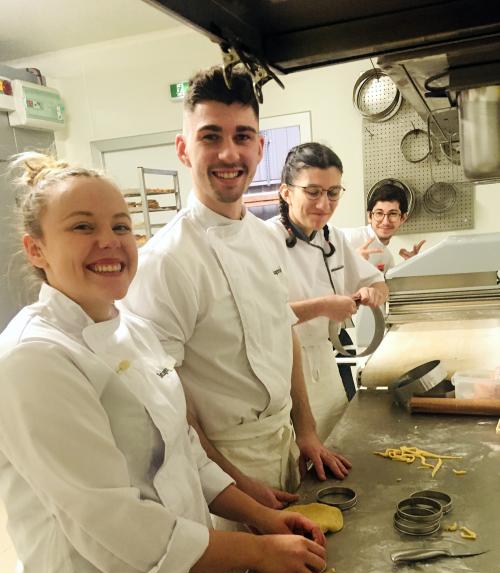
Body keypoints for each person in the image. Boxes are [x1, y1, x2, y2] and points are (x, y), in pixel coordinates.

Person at [0, 153, 327, 573]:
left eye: (121, 225)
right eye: (82, 226)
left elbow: (184, 452)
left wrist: (260, 513)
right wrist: (259, 549)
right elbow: (117, 529)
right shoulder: (33, 359)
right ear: (36, 249)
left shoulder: (128, 326)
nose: (110, 242)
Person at [124, 66, 351, 513]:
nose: (230, 152)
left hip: (284, 447)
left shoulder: (265, 237)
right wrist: (236, 484)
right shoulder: (164, 262)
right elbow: (166, 404)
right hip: (219, 475)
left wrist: (305, 431)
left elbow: (283, 334)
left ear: (260, 147)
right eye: (210, 137)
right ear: (183, 149)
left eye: (243, 136)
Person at [266, 143, 389, 441]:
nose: (324, 203)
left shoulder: (331, 237)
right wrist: (323, 306)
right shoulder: (263, 240)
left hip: (325, 362)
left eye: (333, 192)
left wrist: (372, 292)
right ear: (286, 192)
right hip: (282, 371)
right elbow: (263, 319)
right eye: (313, 192)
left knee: (338, 445)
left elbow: (379, 283)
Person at [341, 182, 425, 273]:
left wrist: (410, 265)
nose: (385, 222)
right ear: (369, 216)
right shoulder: (348, 237)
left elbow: (386, 286)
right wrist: (351, 263)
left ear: (403, 218)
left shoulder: (387, 258)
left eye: (393, 214)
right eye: (379, 213)